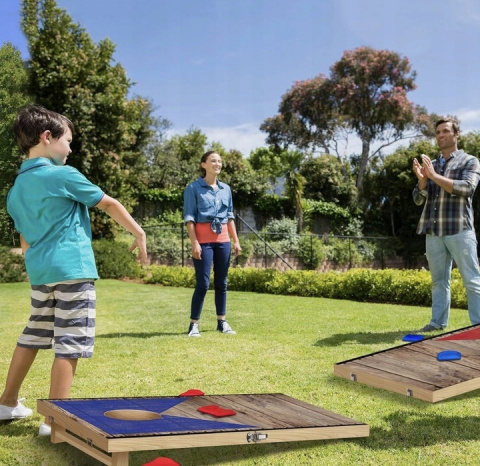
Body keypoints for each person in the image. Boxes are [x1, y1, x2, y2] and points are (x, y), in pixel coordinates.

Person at [0, 105, 147, 435]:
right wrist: (139, 232)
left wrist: (37, 263)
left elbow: (25, 239)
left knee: (34, 334)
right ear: (47, 137)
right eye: (68, 141)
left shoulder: (15, 191)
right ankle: (56, 422)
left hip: (41, 274)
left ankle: (7, 403)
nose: (70, 149)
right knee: (70, 342)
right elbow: (108, 203)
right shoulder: (62, 175)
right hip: (73, 270)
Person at [412, 116, 480, 332]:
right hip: (434, 232)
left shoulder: (469, 161)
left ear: (456, 134)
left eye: (445, 131)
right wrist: (423, 180)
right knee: (439, 282)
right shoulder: (433, 164)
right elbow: (418, 198)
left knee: (472, 280)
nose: (440, 135)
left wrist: (433, 176)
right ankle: (437, 323)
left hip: (460, 230)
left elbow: (466, 188)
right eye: (438, 132)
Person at [183, 150, 242, 337]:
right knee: (203, 283)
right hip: (203, 241)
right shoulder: (193, 188)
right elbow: (189, 219)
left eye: (219, 161)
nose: (217, 164)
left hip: (223, 241)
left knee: (222, 283)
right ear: (203, 165)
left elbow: (230, 217)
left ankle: (222, 322)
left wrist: (236, 241)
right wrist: (194, 243)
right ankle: (194, 325)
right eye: (213, 161)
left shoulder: (226, 189)